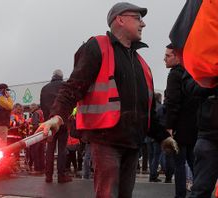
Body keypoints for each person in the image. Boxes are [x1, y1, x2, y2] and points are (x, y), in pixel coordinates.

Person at [37, 2, 178, 197]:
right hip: (106, 141)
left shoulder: (143, 66)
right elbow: (73, 87)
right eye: (137, 18)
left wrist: (163, 137)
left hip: (132, 143)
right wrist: (57, 116)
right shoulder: (97, 47)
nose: (143, 24)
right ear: (120, 20)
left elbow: (148, 112)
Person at [164, 43, 199, 198]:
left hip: (179, 127)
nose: (164, 59)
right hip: (195, 127)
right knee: (194, 163)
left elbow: (172, 102)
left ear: (177, 57)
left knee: (179, 164)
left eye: (167, 56)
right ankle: (199, 193)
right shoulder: (191, 73)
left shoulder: (174, 74)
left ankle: (180, 195)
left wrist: (169, 126)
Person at [183, 72, 218, 198]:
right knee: (201, 189)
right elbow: (189, 86)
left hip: (208, 131)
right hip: (209, 133)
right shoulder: (200, 57)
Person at [40, 69, 72, 183]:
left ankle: (48, 176)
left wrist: (47, 120)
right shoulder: (65, 85)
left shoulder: (44, 89)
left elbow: (42, 106)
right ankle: (61, 175)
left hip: (49, 123)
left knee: (50, 149)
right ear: (62, 77)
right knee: (62, 149)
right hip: (61, 121)